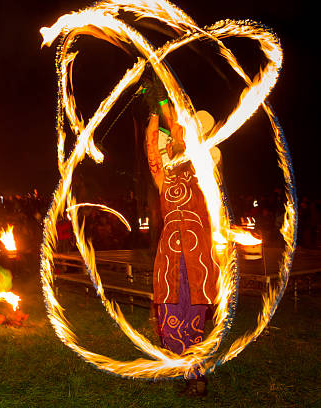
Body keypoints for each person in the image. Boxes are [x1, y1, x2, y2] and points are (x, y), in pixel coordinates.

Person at [142, 74, 219, 397]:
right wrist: (156, 103)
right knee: (171, 311)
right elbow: (152, 145)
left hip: (198, 254)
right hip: (171, 256)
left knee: (195, 312)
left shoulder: (207, 167)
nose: (176, 137)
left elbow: (183, 141)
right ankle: (180, 366)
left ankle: (196, 374)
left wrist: (176, 129)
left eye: (185, 134)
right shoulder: (163, 176)